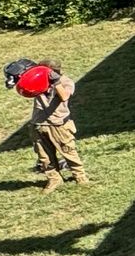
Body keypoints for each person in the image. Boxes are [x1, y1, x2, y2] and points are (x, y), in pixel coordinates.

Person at [23, 62, 87, 192]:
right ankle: (54, 179)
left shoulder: (66, 82)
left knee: (68, 151)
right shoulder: (39, 81)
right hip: (39, 123)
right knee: (44, 156)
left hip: (58, 124)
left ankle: (80, 177)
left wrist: (55, 82)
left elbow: (64, 96)